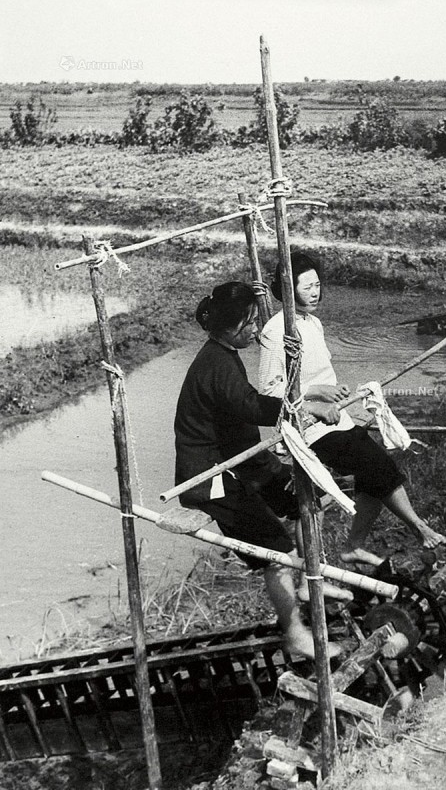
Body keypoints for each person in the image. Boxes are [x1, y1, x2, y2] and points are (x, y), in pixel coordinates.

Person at [174, 281, 341, 658]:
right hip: (212, 478)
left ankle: (311, 580)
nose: (255, 329)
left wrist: (306, 394)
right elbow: (251, 407)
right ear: (231, 327)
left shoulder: (224, 355)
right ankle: (296, 634)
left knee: (306, 494)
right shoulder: (216, 364)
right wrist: (306, 407)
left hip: (243, 461)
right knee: (275, 550)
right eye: (250, 323)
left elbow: (251, 409)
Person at [258, 251, 446, 566]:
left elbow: (315, 373)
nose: (315, 292)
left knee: (377, 472)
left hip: (337, 419)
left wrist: (333, 390)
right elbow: (268, 390)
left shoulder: (313, 323)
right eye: (307, 287)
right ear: (288, 291)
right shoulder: (276, 331)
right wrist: (319, 392)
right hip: (307, 427)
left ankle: (354, 545)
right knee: (378, 467)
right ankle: (417, 526)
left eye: (318, 285)